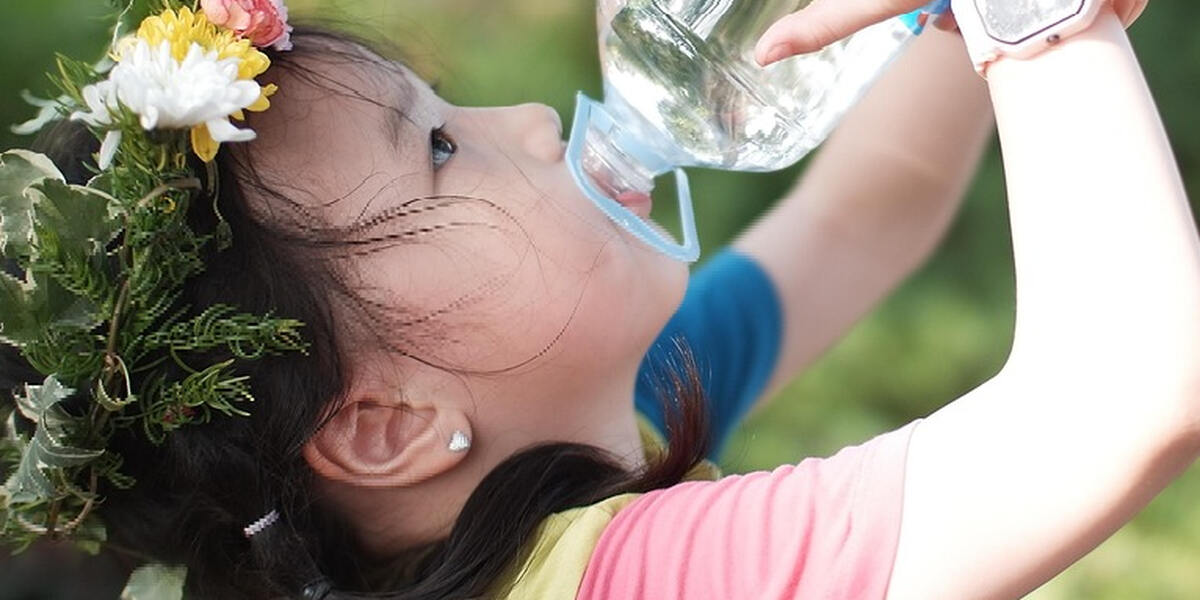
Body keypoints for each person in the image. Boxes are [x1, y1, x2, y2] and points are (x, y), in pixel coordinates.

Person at [1, 0, 1193, 599]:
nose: (526, 120)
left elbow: (873, 207)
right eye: (438, 151)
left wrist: (950, 23)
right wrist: (1041, 19)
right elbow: (1136, 389)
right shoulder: (631, 581)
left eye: (447, 105)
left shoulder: (574, 458)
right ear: (384, 426)